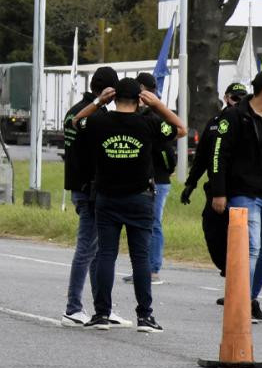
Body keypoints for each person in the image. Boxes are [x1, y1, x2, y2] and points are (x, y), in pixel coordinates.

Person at [73, 77, 186, 332]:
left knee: (106, 256)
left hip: (107, 197)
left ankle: (101, 314)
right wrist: (157, 105)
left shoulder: (100, 121)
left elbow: (76, 122)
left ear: (114, 98)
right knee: (140, 258)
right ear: (139, 99)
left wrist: (98, 102)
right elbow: (180, 129)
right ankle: (145, 316)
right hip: (140, 198)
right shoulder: (149, 122)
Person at [209, 69, 262, 322]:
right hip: (244, 193)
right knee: (252, 247)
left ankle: (249, 297)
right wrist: (219, 192)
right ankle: (241, 302)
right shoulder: (234, 117)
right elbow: (218, 156)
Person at [61, 65, 129, 326]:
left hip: (79, 186)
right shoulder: (92, 114)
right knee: (87, 249)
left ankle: (103, 307)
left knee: (97, 251)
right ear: (108, 91)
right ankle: (73, 307)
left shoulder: (74, 110)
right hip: (89, 190)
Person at [182, 82, 248, 282]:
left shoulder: (250, 122)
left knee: (241, 240)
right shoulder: (215, 123)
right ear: (227, 98)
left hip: (241, 189)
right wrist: (190, 184)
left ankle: (239, 285)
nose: (239, 102)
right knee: (213, 232)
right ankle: (227, 268)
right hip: (217, 188)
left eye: (243, 98)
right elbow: (202, 157)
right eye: (235, 98)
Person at [126, 72, 176, 286]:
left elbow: (166, 148)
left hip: (158, 179)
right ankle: (143, 268)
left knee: (153, 224)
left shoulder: (155, 116)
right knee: (143, 224)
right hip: (145, 178)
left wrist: (166, 169)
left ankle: (153, 269)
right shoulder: (144, 114)